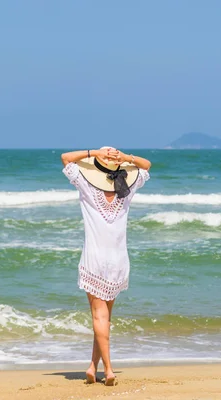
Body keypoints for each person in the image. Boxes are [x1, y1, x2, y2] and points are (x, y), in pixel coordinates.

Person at [60, 147, 152, 386]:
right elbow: (146, 165)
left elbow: (66, 158)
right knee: (105, 318)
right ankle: (92, 367)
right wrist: (125, 158)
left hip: (95, 259)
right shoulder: (127, 188)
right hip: (119, 259)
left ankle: (108, 370)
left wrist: (94, 152)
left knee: (99, 316)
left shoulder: (86, 185)